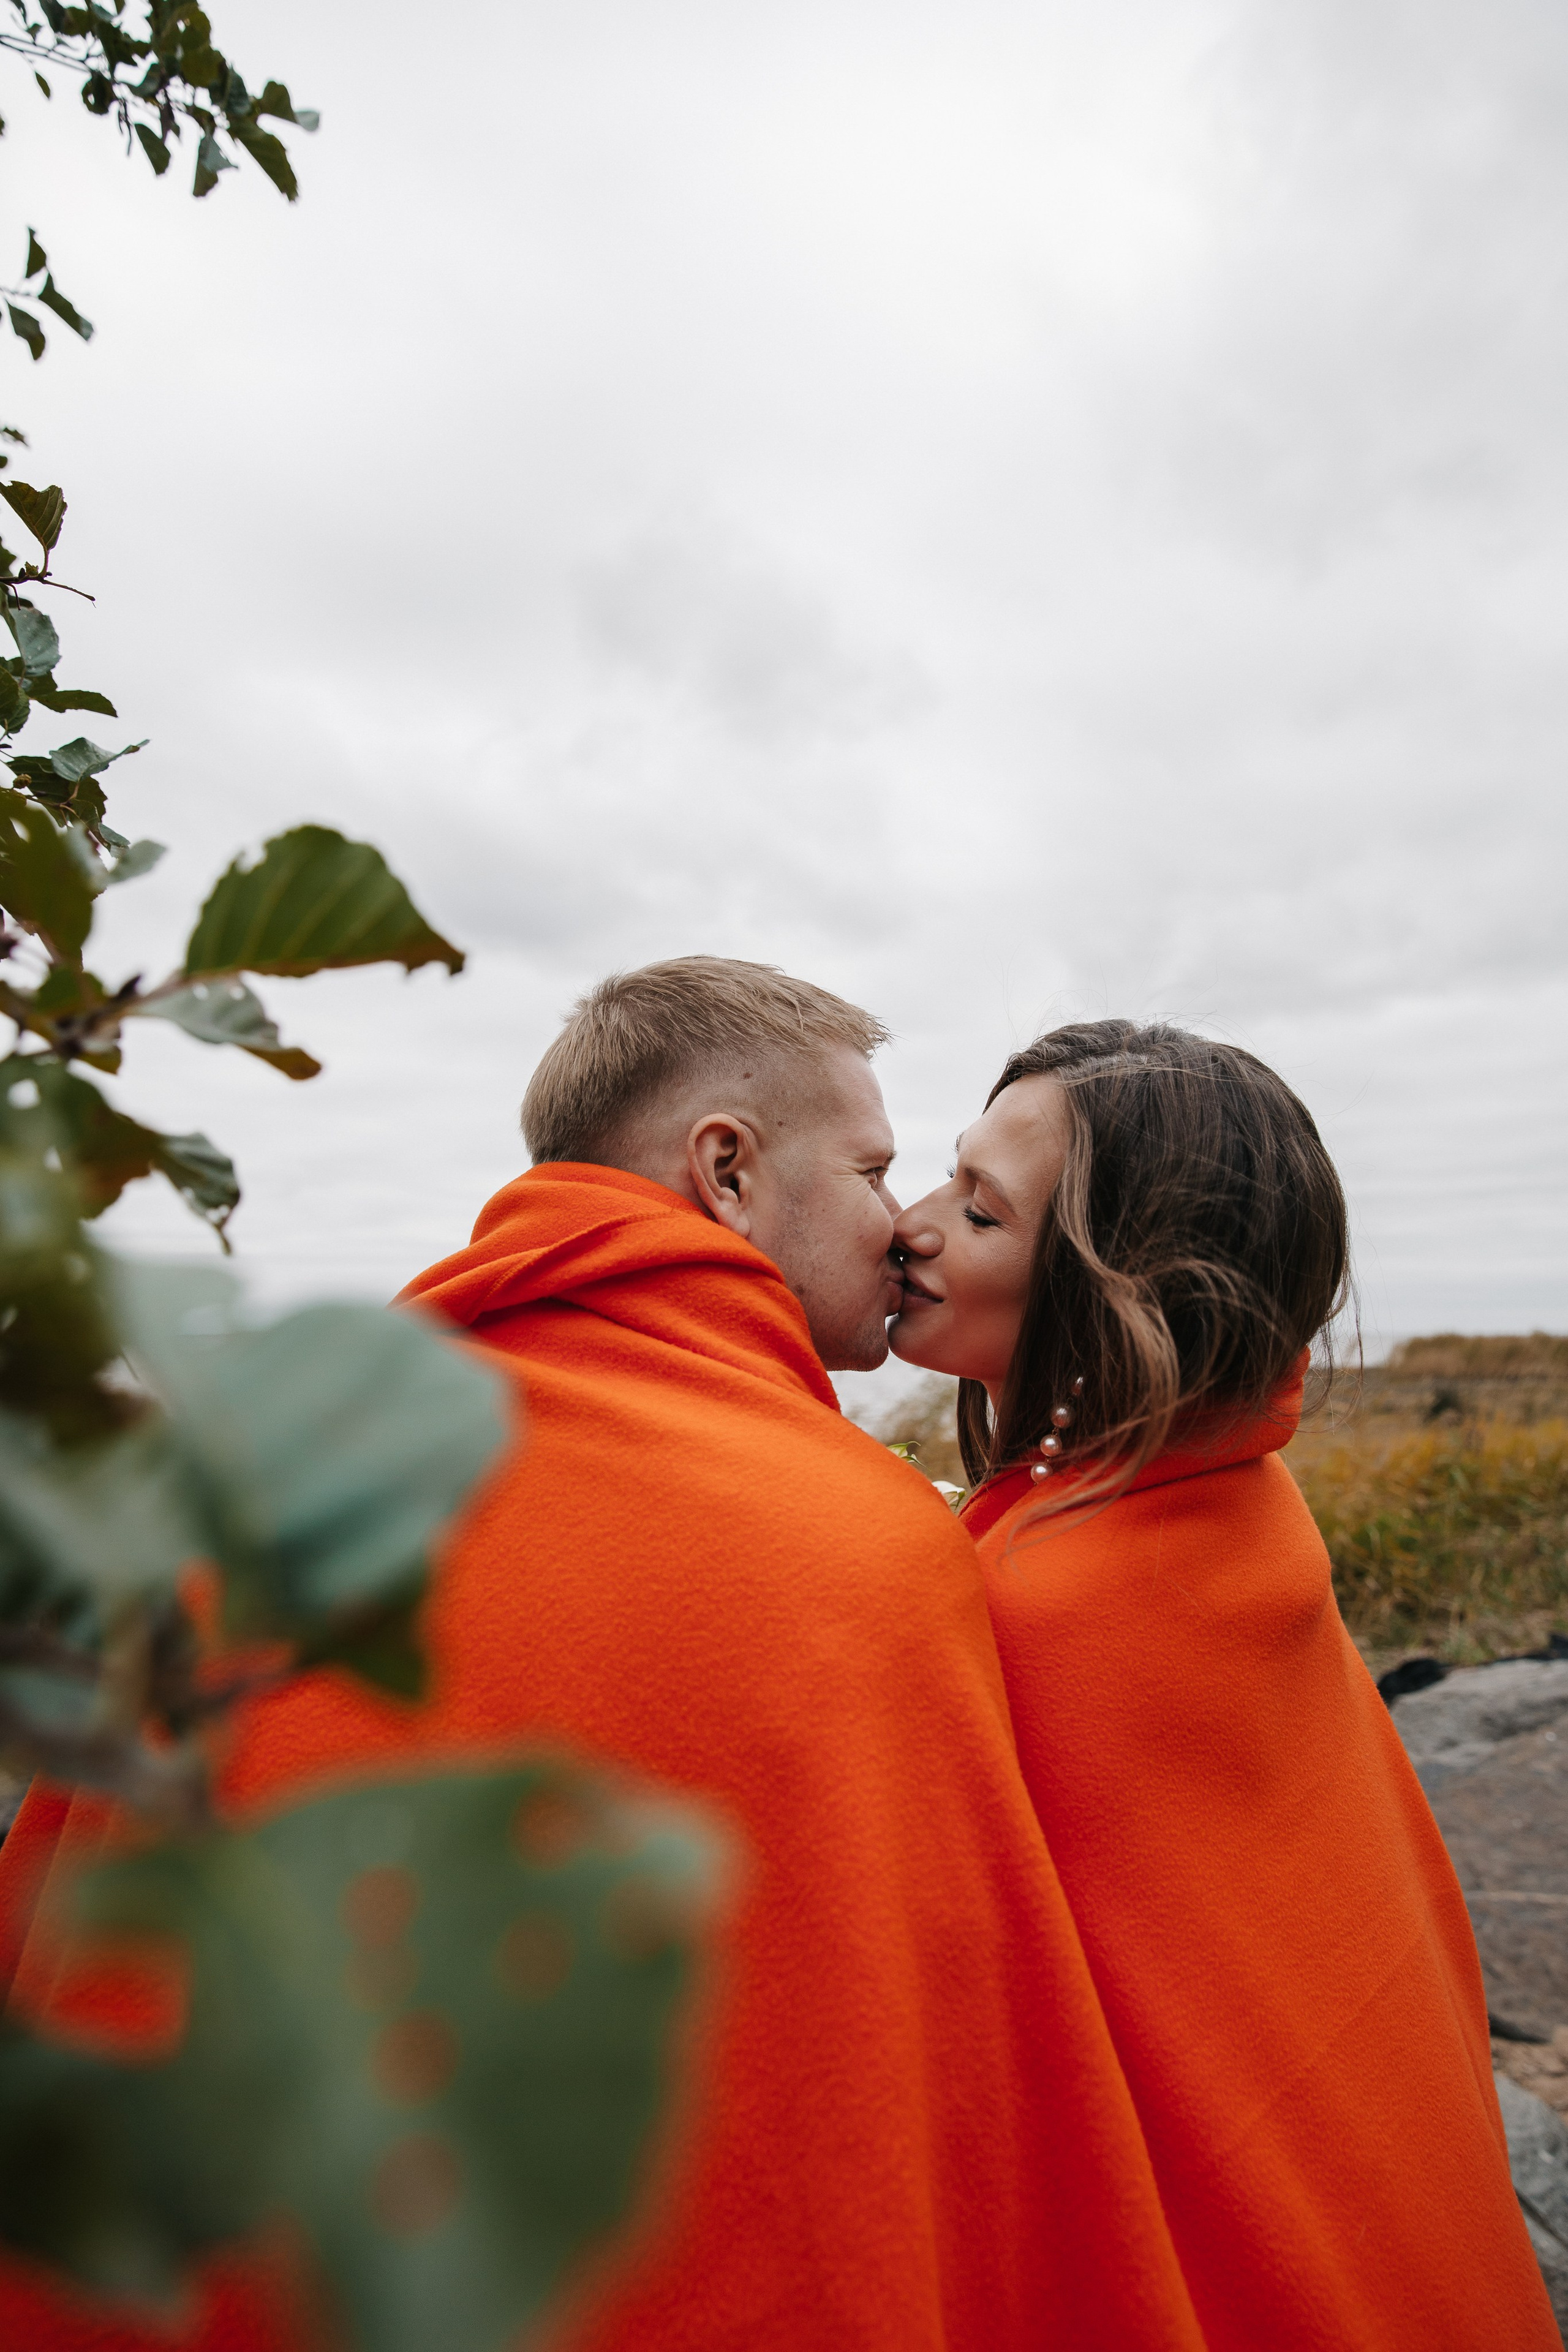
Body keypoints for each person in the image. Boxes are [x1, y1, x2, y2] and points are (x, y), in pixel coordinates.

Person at [0, 962, 1205, 2352]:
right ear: (727, 1171)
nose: (900, 1225)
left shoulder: (253, 1491)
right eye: (873, 1171)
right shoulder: (860, 1549)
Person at [889, 1017, 1558, 2352]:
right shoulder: (1234, 1494)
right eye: (942, 1175)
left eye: (977, 1210)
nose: (908, 1225)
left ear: (1114, 1291)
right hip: (1404, 2247)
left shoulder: (1038, 1604)